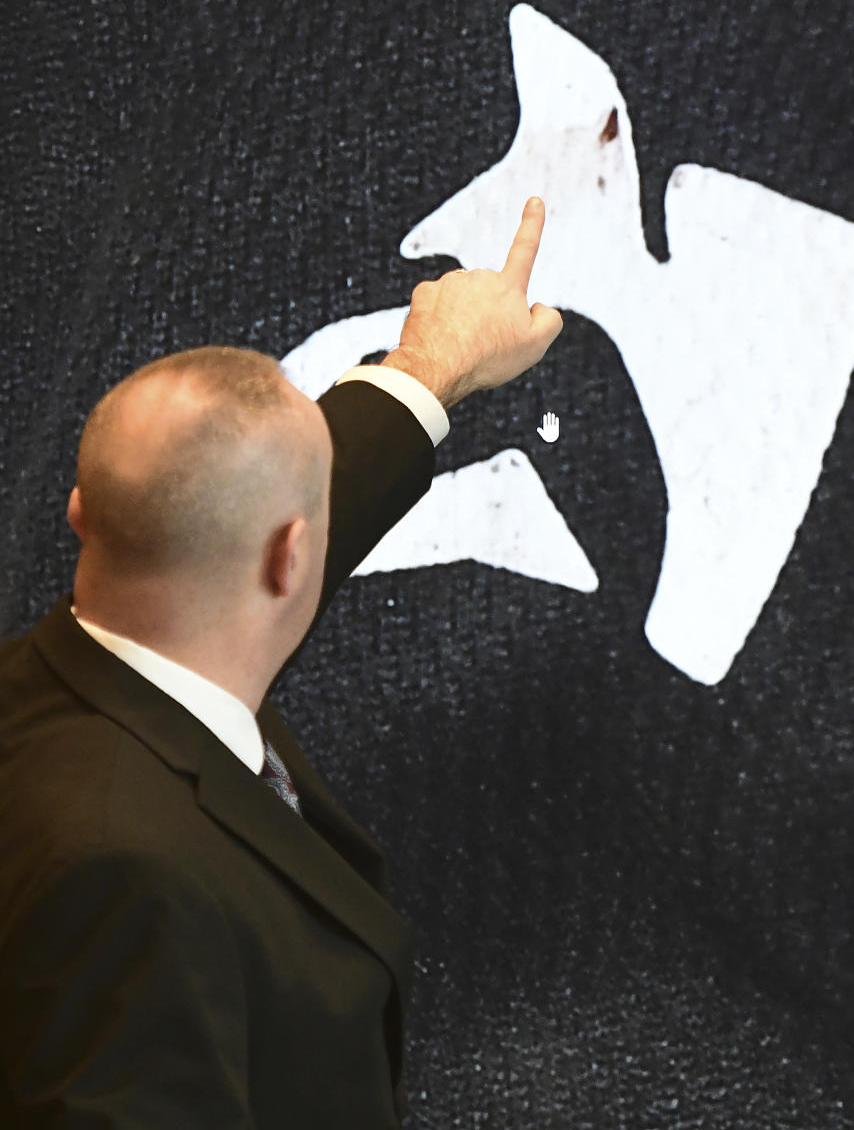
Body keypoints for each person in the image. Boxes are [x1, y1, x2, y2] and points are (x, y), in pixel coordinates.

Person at [0, 198, 563, 1127]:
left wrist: (430, 367)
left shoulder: (73, 671)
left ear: (81, 511)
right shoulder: (128, 887)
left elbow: (240, 499)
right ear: (288, 558)